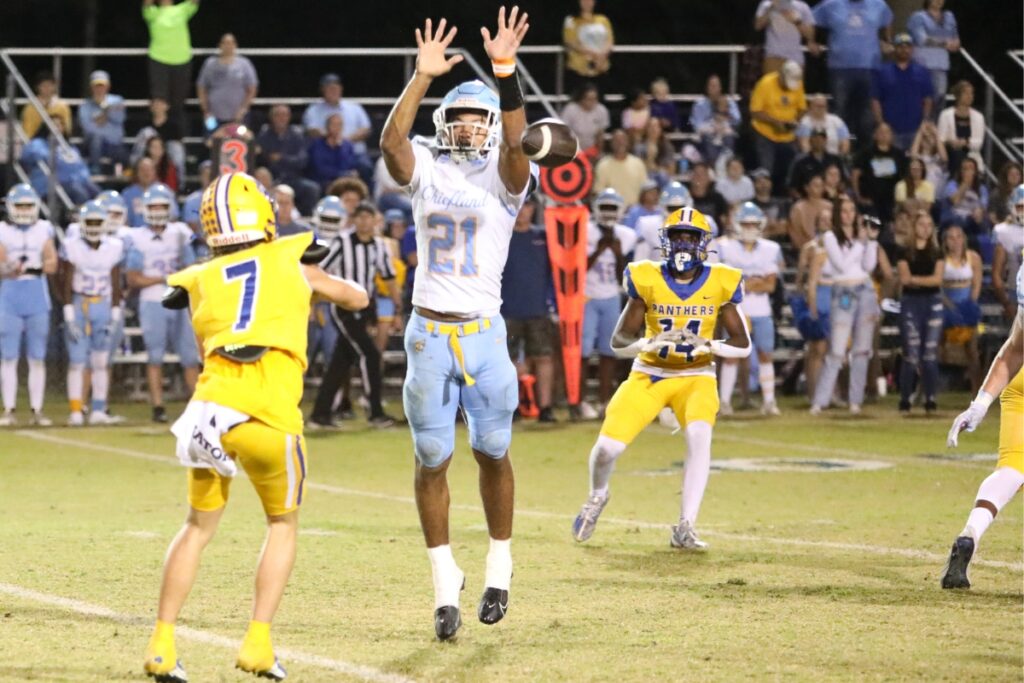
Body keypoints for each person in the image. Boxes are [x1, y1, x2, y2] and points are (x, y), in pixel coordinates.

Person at [142, 171, 368, 682]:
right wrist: (312, 286)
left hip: (210, 411)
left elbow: (206, 347)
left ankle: (161, 645)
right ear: (262, 214)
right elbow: (355, 298)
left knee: (196, 527)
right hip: (268, 411)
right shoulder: (290, 257)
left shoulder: (198, 279)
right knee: (282, 524)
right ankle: (258, 644)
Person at [379, 9, 534, 640]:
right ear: (446, 121)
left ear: (492, 123)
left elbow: (518, 146)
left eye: (479, 116)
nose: (468, 125)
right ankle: (445, 580)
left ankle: (500, 563)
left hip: (483, 333)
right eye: (460, 115)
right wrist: (421, 77)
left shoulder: (507, 174)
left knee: (492, 450)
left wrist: (505, 70)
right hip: (428, 334)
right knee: (431, 457)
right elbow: (392, 145)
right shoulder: (428, 162)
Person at [570, 207, 751, 547]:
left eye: (690, 237)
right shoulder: (647, 276)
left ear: (703, 243)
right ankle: (597, 495)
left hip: (696, 375)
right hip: (650, 373)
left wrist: (708, 344)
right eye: (677, 236)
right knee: (607, 448)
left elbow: (743, 345)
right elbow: (618, 341)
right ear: (665, 241)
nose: (683, 243)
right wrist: (647, 343)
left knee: (699, 435)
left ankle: (686, 526)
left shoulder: (721, 280)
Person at [942, 260, 1024, 590]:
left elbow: (1015, 349)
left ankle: (970, 533)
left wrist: (980, 403)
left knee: (1012, 469)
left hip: (1019, 383)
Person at [309, 202, 399, 428]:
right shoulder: (342, 242)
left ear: (375, 220)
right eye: (360, 216)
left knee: (340, 363)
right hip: (343, 308)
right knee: (370, 355)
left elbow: (388, 276)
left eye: (368, 217)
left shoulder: (379, 245)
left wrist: (397, 307)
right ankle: (375, 412)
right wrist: (314, 301)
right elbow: (320, 270)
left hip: (365, 307)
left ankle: (320, 415)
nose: (364, 221)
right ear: (353, 220)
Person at [124, 183, 198, 423]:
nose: (157, 211)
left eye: (162, 206)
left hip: (180, 300)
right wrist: (164, 278)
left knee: (190, 356)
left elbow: (191, 267)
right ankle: (158, 406)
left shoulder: (180, 232)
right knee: (155, 356)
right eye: (153, 207)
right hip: (153, 300)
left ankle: (198, 407)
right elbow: (133, 278)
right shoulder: (137, 237)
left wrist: (175, 277)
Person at [810, 197, 880, 415]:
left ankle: (855, 400)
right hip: (844, 292)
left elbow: (868, 266)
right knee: (837, 350)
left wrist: (872, 242)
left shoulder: (861, 237)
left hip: (865, 290)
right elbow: (841, 265)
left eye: (852, 210)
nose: (848, 215)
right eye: (844, 211)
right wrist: (860, 243)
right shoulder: (830, 237)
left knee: (862, 350)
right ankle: (820, 401)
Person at [59, 200, 124, 426]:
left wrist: (114, 315)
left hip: (103, 304)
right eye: (90, 222)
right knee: (77, 362)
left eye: (98, 222)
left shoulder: (114, 246)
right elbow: (66, 282)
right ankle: (76, 410)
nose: (94, 226)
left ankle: (98, 409)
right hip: (80, 303)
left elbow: (116, 282)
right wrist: (69, 314)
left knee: (100, 361)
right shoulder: (72, 245)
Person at [716, 203, 782, 415]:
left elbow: (770, 285)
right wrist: (755, 281)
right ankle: (725, 402)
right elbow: (727, 284)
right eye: (746, 224)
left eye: (754, 224)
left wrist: (743, 282)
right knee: (731, 355)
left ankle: (769, 401)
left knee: (765, 354)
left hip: (762, 310)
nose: (750, 228)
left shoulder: (770, 248)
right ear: (737, 224)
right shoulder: (725, 246)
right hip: (736, 310)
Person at [577, 189, 637, 420]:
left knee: (608, 351)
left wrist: (618, 254)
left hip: (611, 296)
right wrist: (599, 250)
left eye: (613, 208)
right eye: (605, 207)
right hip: (587, 296)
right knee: (583, 352)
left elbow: (624, 277)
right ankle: (581, 400)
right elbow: (578, 269)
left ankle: (605, 401)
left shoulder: (627, 235)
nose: (609, 212)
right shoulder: (586, 230)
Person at [0, 184, 57, 427]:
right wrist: (8, 268)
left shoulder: (43, 229)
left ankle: (37, 409)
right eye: (20, 206)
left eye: (27, 206)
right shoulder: (3, 230)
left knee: (37, 357)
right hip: (10, 297)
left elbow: (52, 263)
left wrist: (35, 267)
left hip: (36, 295)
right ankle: (9, 409)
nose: (24, 210)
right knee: (8, 357)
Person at [501, 198, 556, 423]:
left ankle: (545, 407)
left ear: (533, 209)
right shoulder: (501, 236)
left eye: (527, 206)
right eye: (519, 205)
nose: (522, 211)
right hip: (506, 308)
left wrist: (552, 303)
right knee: (508, 360)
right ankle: (511, 407)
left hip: (538, 308)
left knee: (543, 357)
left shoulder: (544, 237)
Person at [812, 0, 894, 144]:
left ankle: (865, 152)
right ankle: (837, 150)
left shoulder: (879, 4)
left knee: (868, 114)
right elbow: (812, 19)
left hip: (870, 67)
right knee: (839, 111)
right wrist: (812, 41)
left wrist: (888, 40)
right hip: (839, 68)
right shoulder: (830, 4)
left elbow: (887, 20)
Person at [896, 210, 944, 413]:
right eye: (921, 224)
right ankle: (905, 397)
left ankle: (930, 397)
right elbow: (904, 279)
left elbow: (937, 279)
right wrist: (924, 281)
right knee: (911, 353)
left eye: (929, 225)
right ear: (914, 227)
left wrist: (916, 280)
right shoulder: (904, 251)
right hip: (911, 303)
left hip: (932, 303)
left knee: (930, 354)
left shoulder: (937, 252)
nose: (925, 229)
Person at [142, 0, 199, 138]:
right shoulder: (152, 12)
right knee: (159, 103)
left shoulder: (182, 9)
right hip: (159, 59)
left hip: (182, 60)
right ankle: (156, 141)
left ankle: (176, 139)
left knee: (177, 104)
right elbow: (146, 4)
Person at [749, 60, 806, 192]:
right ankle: (764, 196)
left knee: (793, 168)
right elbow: (755, 111)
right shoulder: (765, 84)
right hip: (765, 134)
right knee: (766, 169)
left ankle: (788, 195)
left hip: (787, 136)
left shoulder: (798, 84)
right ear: (781, 75)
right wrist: (775, 122)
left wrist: (794, 121)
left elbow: (802, 108)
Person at [870, 33, 933, 151]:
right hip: (891, 131)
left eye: (908, 46)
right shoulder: (883, 72)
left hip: (915, 130)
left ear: (912, 49)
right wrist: (880, 123)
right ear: (895, 48)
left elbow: (928, 99)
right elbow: (875, 100)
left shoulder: (922, 72)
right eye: (901, 46)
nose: (904, 50)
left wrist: (925, 121)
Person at [306, 196, 346, 374]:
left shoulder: (345, 241)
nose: (329, 224)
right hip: (308, 301)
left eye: (333, 220)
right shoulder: (307, 238)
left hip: (333, 304)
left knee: (333, 352)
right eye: (326, 219)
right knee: (303, 352)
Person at [940, 225, 982, 393]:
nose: (955, 241)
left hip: (967, 306)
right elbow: (938, 286)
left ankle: (977, 392)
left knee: (972, 351)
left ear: (964, 239)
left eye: (959, 236)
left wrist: (968, 307)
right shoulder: (941, 259)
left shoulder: (973, 257)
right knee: (936, 348)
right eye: (951, 237)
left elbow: (976, 284)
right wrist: (950, 307)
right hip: (945, 307)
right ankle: (926, 390)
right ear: (945, 241)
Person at [907, 0, 960, 115]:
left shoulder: (949, 16)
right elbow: (922, 39)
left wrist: (955, 44)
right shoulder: (918, 17)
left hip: (941, 65)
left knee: (939, 97)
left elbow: (955, 38)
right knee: (922, 99)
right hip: (922, 64)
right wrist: (944, 43)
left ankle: (934, 124)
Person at [301, 73, 372, 158]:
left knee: (365, 164)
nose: (333, 91)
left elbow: (366, 130)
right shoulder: (312, 110)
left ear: (341, 89)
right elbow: (311, 131)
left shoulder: (355, 107)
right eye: (329, 88)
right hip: (325, 155)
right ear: (322, 90)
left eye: (335, 88)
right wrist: (331, 138)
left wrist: (345, 142)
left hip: (355, 154)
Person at [197, 33, 259, 129]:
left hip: (239, 117)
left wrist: (243, 109)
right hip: (213, 116)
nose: (228, 46)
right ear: (220, 45)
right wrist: (206, 111)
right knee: (212, 137)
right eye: (225, 43)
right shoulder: (210, 64)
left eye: (230, 43)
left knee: (242, 138)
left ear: (235, 45)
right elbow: (201, 87)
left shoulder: (244, 64)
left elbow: (252, 88)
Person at [852, 122, 905, 223]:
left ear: (892, 135)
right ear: (875, 135)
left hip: (892, 202)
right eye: (881, 132)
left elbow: (904, 178)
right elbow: (855, 175)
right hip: (870, 201)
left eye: (887, 132)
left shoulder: (899, 154)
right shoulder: (865, 154)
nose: (884, 135)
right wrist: (858, 196)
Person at [78, 70, 127, 172]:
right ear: (91, 87)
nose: (99, 89)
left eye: (102, 86)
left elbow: (120, 119)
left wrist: (100, 117)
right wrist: (108, 113)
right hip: (92, 146)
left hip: (113, 144)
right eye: (96, 86)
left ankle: (119, 174)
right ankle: (95, 170)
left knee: (123, 154)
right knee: (96, 139)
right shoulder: (85, 106)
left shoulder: (117, 100)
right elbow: (87, 128)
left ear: (108, 86)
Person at [754, 0, 819, 74]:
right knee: (771, 81)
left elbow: (809, 35)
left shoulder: (803, 6)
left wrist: (797, 21)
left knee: (794, 82)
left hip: (795, 58)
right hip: (773, 56)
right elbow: (758, 26)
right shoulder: (766, 4)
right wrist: (771, 8)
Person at [634, 181, 692, 262]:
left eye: (680, 208)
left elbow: (708, 262)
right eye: (672, 208)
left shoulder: (701, 224)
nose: (676, 213)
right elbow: (639, 262)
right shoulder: (648, 225)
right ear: (663, 207)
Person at [129, 97, 185, 181]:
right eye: (155, 104)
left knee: (176, 147)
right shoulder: (145, 124)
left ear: (167, 106)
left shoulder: (173, 125)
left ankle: (180, 182)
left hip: (166, 154)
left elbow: (177, 146)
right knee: (146, 132)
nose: (157, 107)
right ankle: (135, 173)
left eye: (160, 104)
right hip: (149, 151)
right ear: (151, 108)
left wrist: (160, 149)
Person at [936, 80, 984, 173]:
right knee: (956, 153)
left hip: (970, 155)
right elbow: (940, 139)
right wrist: (951, 142)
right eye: (966, 93)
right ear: (958, 96)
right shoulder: (945, 115)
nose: (970, 96)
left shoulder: (978, 117)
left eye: (971, 93)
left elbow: (978, 143)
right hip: (950, 154)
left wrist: (965, 142)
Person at [562, 0, 613, 86]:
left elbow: (609, 40)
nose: (587, 2)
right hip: (579, 70)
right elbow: (570, 42)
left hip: (601, 69)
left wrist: (602, 56)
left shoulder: (603, 20)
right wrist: (595, 54)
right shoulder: (571, 20)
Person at [938, 156, 989, 242]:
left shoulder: (982, 188)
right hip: (955, 217)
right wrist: (965, 184)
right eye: (965, 169)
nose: (968, 171)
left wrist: (979, 211)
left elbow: (983, 206)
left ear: (975, 172)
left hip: (972, 218)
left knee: (984, 222)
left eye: (971, 168)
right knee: (958, 221)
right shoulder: (952, 184)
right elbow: (954, 201)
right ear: (960, 171)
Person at [992, 185, 1024, 321]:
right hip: (1015, 293)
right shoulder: (1003, 231)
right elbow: (996, 274)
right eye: (1021, 207)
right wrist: (1006, 302)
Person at [593, 129, 647, 205]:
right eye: (616, 140)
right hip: (612, 209)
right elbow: (598, 192)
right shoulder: (602, 165)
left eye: (623, 140)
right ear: (611, 143)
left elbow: (645, 190)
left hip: (635, 208)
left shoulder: (638, 163)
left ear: (628, 142)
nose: (620, 143)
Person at [307, 113, 360, 191]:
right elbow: (320, 169)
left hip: (343, 180)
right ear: (327, 126)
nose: (337, 128)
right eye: (334, 124)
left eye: (339, 125)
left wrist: (339, 148)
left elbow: (350, 165)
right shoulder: (317, 144)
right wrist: (342, 174)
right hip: (322, 181)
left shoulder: (347, 145)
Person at [787, 127, 843, 198]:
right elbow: (792, 187)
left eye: (822, 138)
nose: (819, 141)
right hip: (806, 199)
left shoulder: (835, 160)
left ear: (826, 141)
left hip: (832, 198)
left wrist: (837, 195)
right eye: (815, 138)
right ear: (810, 140)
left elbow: (843, 182)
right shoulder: (800, 162)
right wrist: (802, 200)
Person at [559, 82, 610, 158]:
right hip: (573, 149)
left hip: (592, 149)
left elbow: (600, 135)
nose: (593, 102)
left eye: (595, 99)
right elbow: (563, 133)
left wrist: (599, 154)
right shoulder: (570, 109)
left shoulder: (601, 110)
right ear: (581, 99)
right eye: (589, 99)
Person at [20, 71, 72, 140]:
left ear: (54, 86)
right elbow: (27, 133)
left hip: (58, 142)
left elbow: (67, 130)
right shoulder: (30, 108)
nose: (47, 88)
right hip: (37, 142)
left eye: (50, 85)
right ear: (37, 87)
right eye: (43, 86)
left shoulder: (63, 106)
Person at [788, 174, 831, 250]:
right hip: (805, 249)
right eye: (816, 185)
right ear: (807, 188)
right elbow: (795, 234)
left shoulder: (829, 206)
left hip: (829, 247)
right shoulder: (798, 208)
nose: (819, 188)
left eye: (821, 185)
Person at [687, 162, 728, 234]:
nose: (699, 177)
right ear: (691, 177)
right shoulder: (685, 197)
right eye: (696, 174)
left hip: (713, 236)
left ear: (709, 178)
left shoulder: (717, 198)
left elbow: (724, 221)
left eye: (702, 174)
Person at [909, 119, 949, 191]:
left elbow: (944, 158)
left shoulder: (938, 157)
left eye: (931, 136)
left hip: (937, 193)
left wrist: (936, 134)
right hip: (921, 192)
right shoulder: (919, 158)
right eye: (924, 137)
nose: (927, 139)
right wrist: (920, 132)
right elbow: (913, 155)